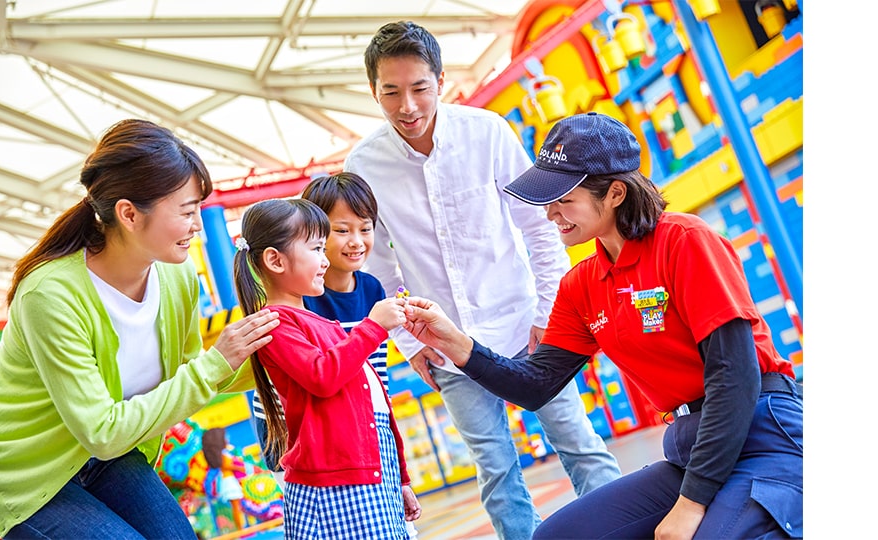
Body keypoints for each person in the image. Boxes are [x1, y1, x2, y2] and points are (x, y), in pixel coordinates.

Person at [400, 111, 804, 539]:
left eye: (563, 199)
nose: (549, 213)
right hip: (690, 443)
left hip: (762, 436)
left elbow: (735, 379)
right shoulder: (581, 284)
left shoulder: (685, 241)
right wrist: (457, 343)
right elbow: (536, 385)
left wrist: (690, 506)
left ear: (614, 193)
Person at [343, 20, 621, 539]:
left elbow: (539, 228)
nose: (407, 106)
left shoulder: (487, 132)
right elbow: (377, 268)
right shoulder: (363, 165)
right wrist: (409, 343)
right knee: (495, 468)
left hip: (524, 326)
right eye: (391, 92)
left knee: (577, 441)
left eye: (420, 88)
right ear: (373, 91)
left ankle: (623, 531)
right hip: (447, 346)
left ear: (441, 81)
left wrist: (548, 315)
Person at [0, 119, 281, 539]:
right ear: (129, 213)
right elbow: (103, 431)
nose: (197, 225)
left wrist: (291, 354)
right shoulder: (50, 296)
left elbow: (192, 374)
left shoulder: (177, 278)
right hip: (29, 473)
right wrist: (215, 363)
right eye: (186, 211)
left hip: (111, 459)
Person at [232, 197, 422, 539]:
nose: (324, 261)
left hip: (372, 475)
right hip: (339, 482)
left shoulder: (319, 323)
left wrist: (400, 478)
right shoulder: (275, 324)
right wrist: (373, 326)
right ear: (274, 260)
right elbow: (322, 376)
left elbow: (374, 410)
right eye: (317, 249)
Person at [250, 173, 393, 475]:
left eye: (365, 228)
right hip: (294, 432)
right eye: (341, 230)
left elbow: (375, 370)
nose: (356, 241)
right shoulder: (298, 297)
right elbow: (320, 374)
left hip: (350, 426)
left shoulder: (372, 290)